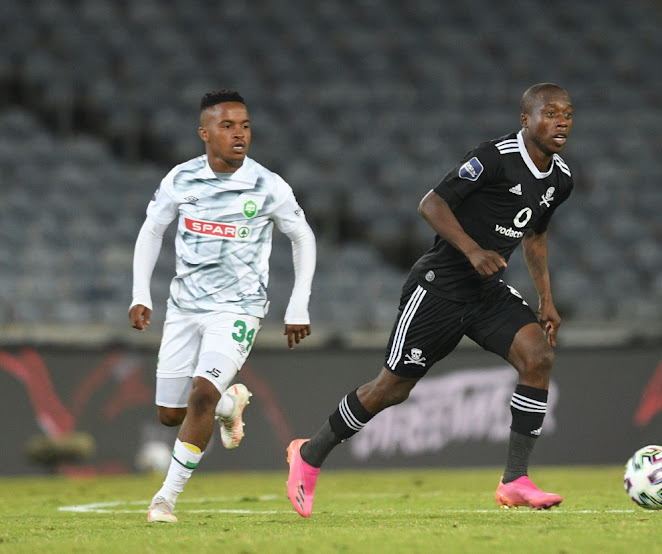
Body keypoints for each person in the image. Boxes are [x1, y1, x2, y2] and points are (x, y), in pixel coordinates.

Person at [286, 83, 573, 517]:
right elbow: (431, 203)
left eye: (567, 113)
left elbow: (535, 236)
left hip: (486, 291)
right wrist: (472, 250)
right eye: (550, 113)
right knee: (390, 390)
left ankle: (514, 480)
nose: (562, 121)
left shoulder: (560, 179)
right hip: (439, 287)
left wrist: (546, 299)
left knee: (538, 357)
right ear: (526, 120)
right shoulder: (494, 157)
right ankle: (309, 455)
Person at [129, 89, 316, 523]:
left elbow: (302, 236)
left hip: (238, 308)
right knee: (169, 415)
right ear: (204, 134)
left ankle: (165, 499)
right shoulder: (181, 179)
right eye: (228, 126)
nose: (239, 135)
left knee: (201, 395)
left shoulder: (268, 185)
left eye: (245, 126)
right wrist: (141, 293)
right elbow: (151, 231)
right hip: (184, 308)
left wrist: (298, 304)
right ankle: (231, 405)